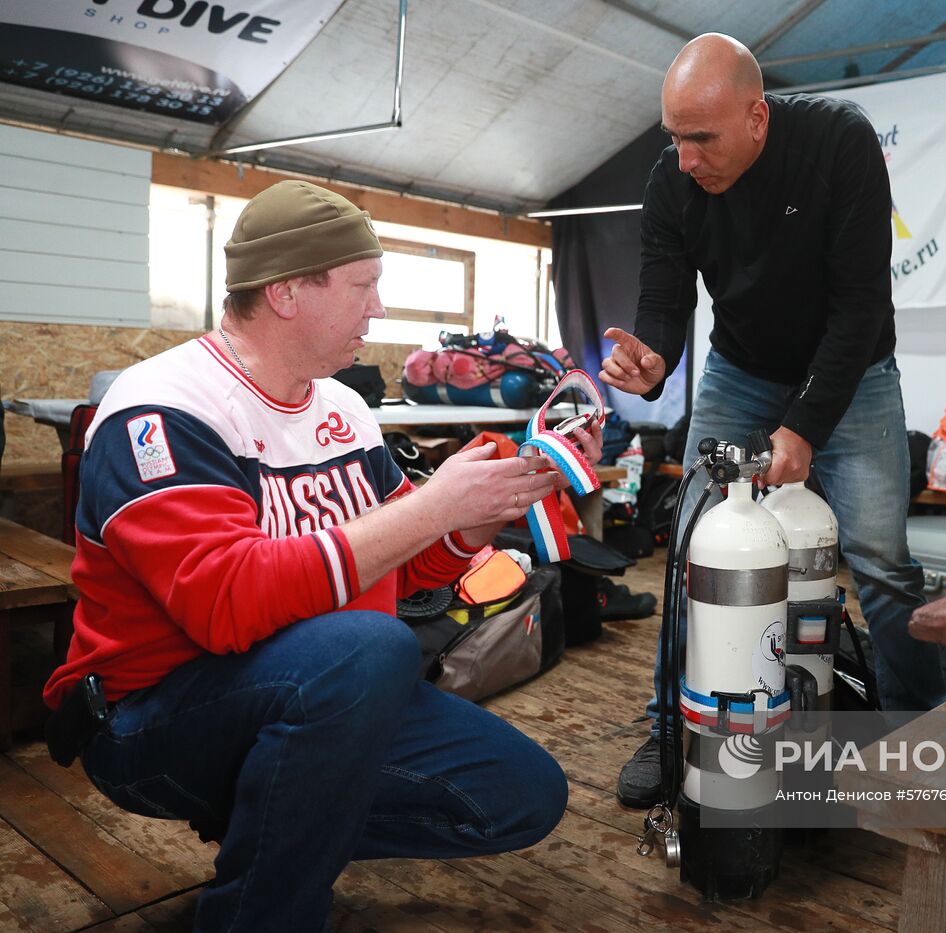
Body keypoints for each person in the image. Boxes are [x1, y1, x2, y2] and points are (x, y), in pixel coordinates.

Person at [42, 180, 599, 931]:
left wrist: (475, 516)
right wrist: (435, 505)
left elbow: (401, 570)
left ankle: (275, 821)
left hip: (320, 687)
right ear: (286, 293)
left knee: (519, 794)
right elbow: (224, 605)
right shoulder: (165, 409)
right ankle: (261, 913)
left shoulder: (341, 408)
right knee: (367, 647)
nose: (377, 308)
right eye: (364, 286)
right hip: (153, 714)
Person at [602, 34, 946, 809]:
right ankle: (668, 726)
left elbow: (861, 309)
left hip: (854, 373)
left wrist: (805, 424)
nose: (685, 158)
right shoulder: (673, 180)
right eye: (673, 138)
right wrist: (652, 358)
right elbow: (664, 301)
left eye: (702, 138)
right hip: (740, 369)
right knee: (691, 549)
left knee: (883, 563)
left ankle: (920, 731)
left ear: (757, 117)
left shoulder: (839, 143)